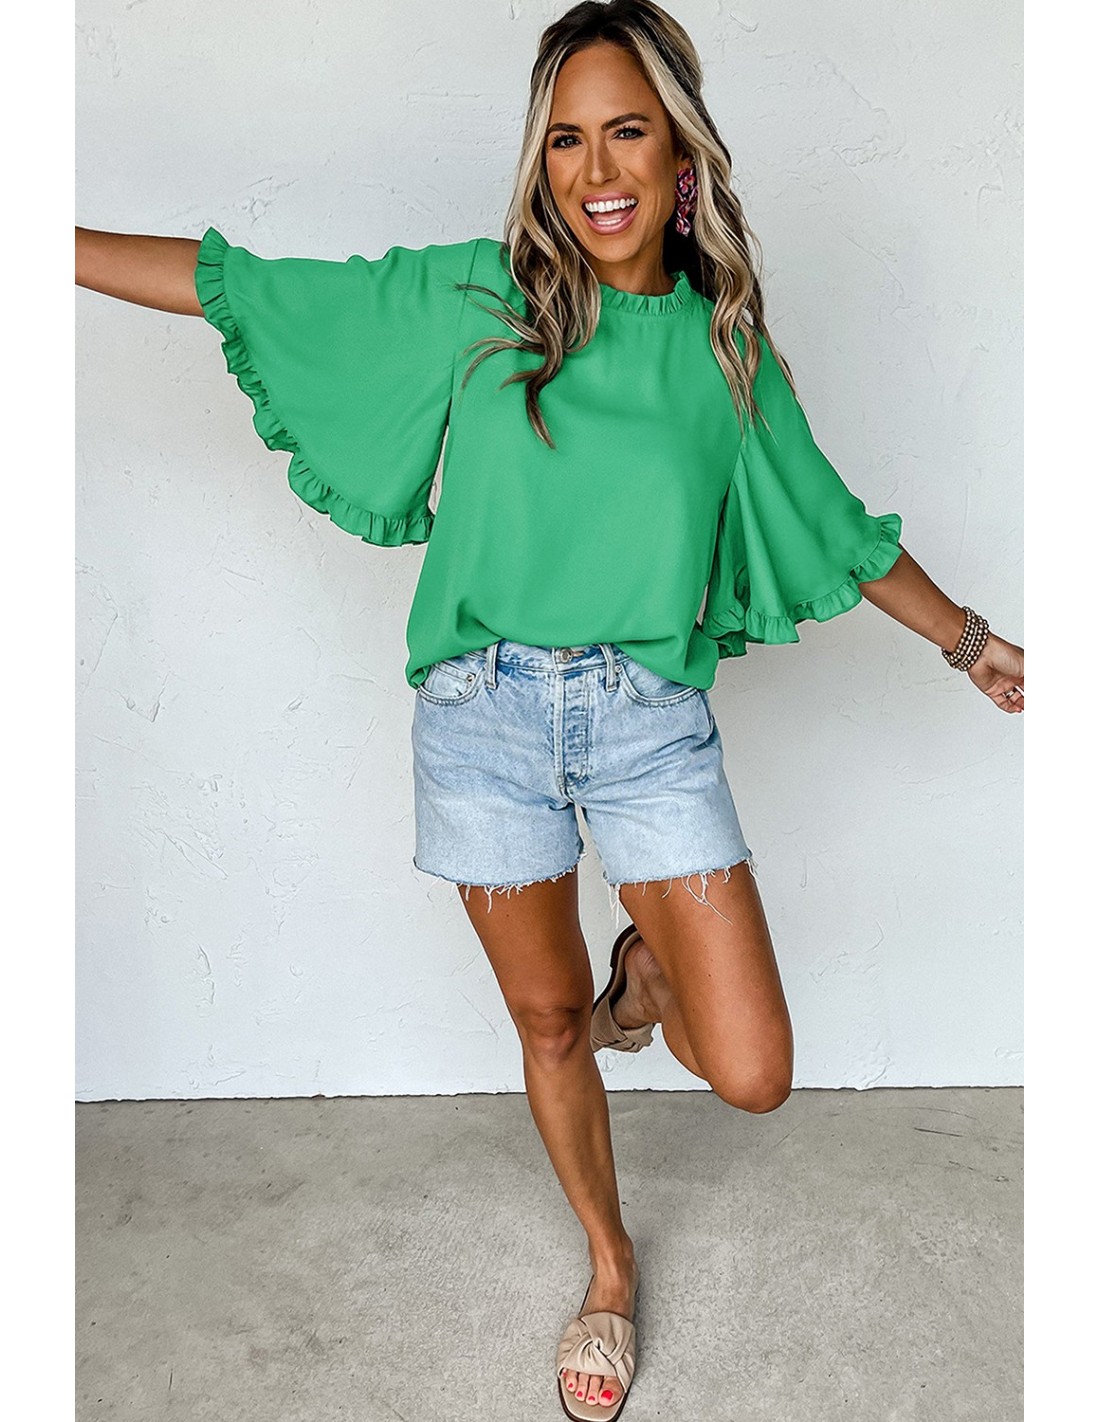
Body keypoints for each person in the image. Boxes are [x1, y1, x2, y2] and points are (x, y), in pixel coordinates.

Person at [76, 2, 1023, 1416]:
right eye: (567, 139)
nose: (596, 170)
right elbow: (248, 289)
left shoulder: (725, 355)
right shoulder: (482, 303)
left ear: (682, 156)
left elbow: (834, 523)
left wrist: (974, 645)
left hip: (647, 723)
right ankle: (608, 1263)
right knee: (547, 1018)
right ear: (541, 160)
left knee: (753, 1070)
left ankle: (648, 969)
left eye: (627, 131)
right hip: (483, 717)